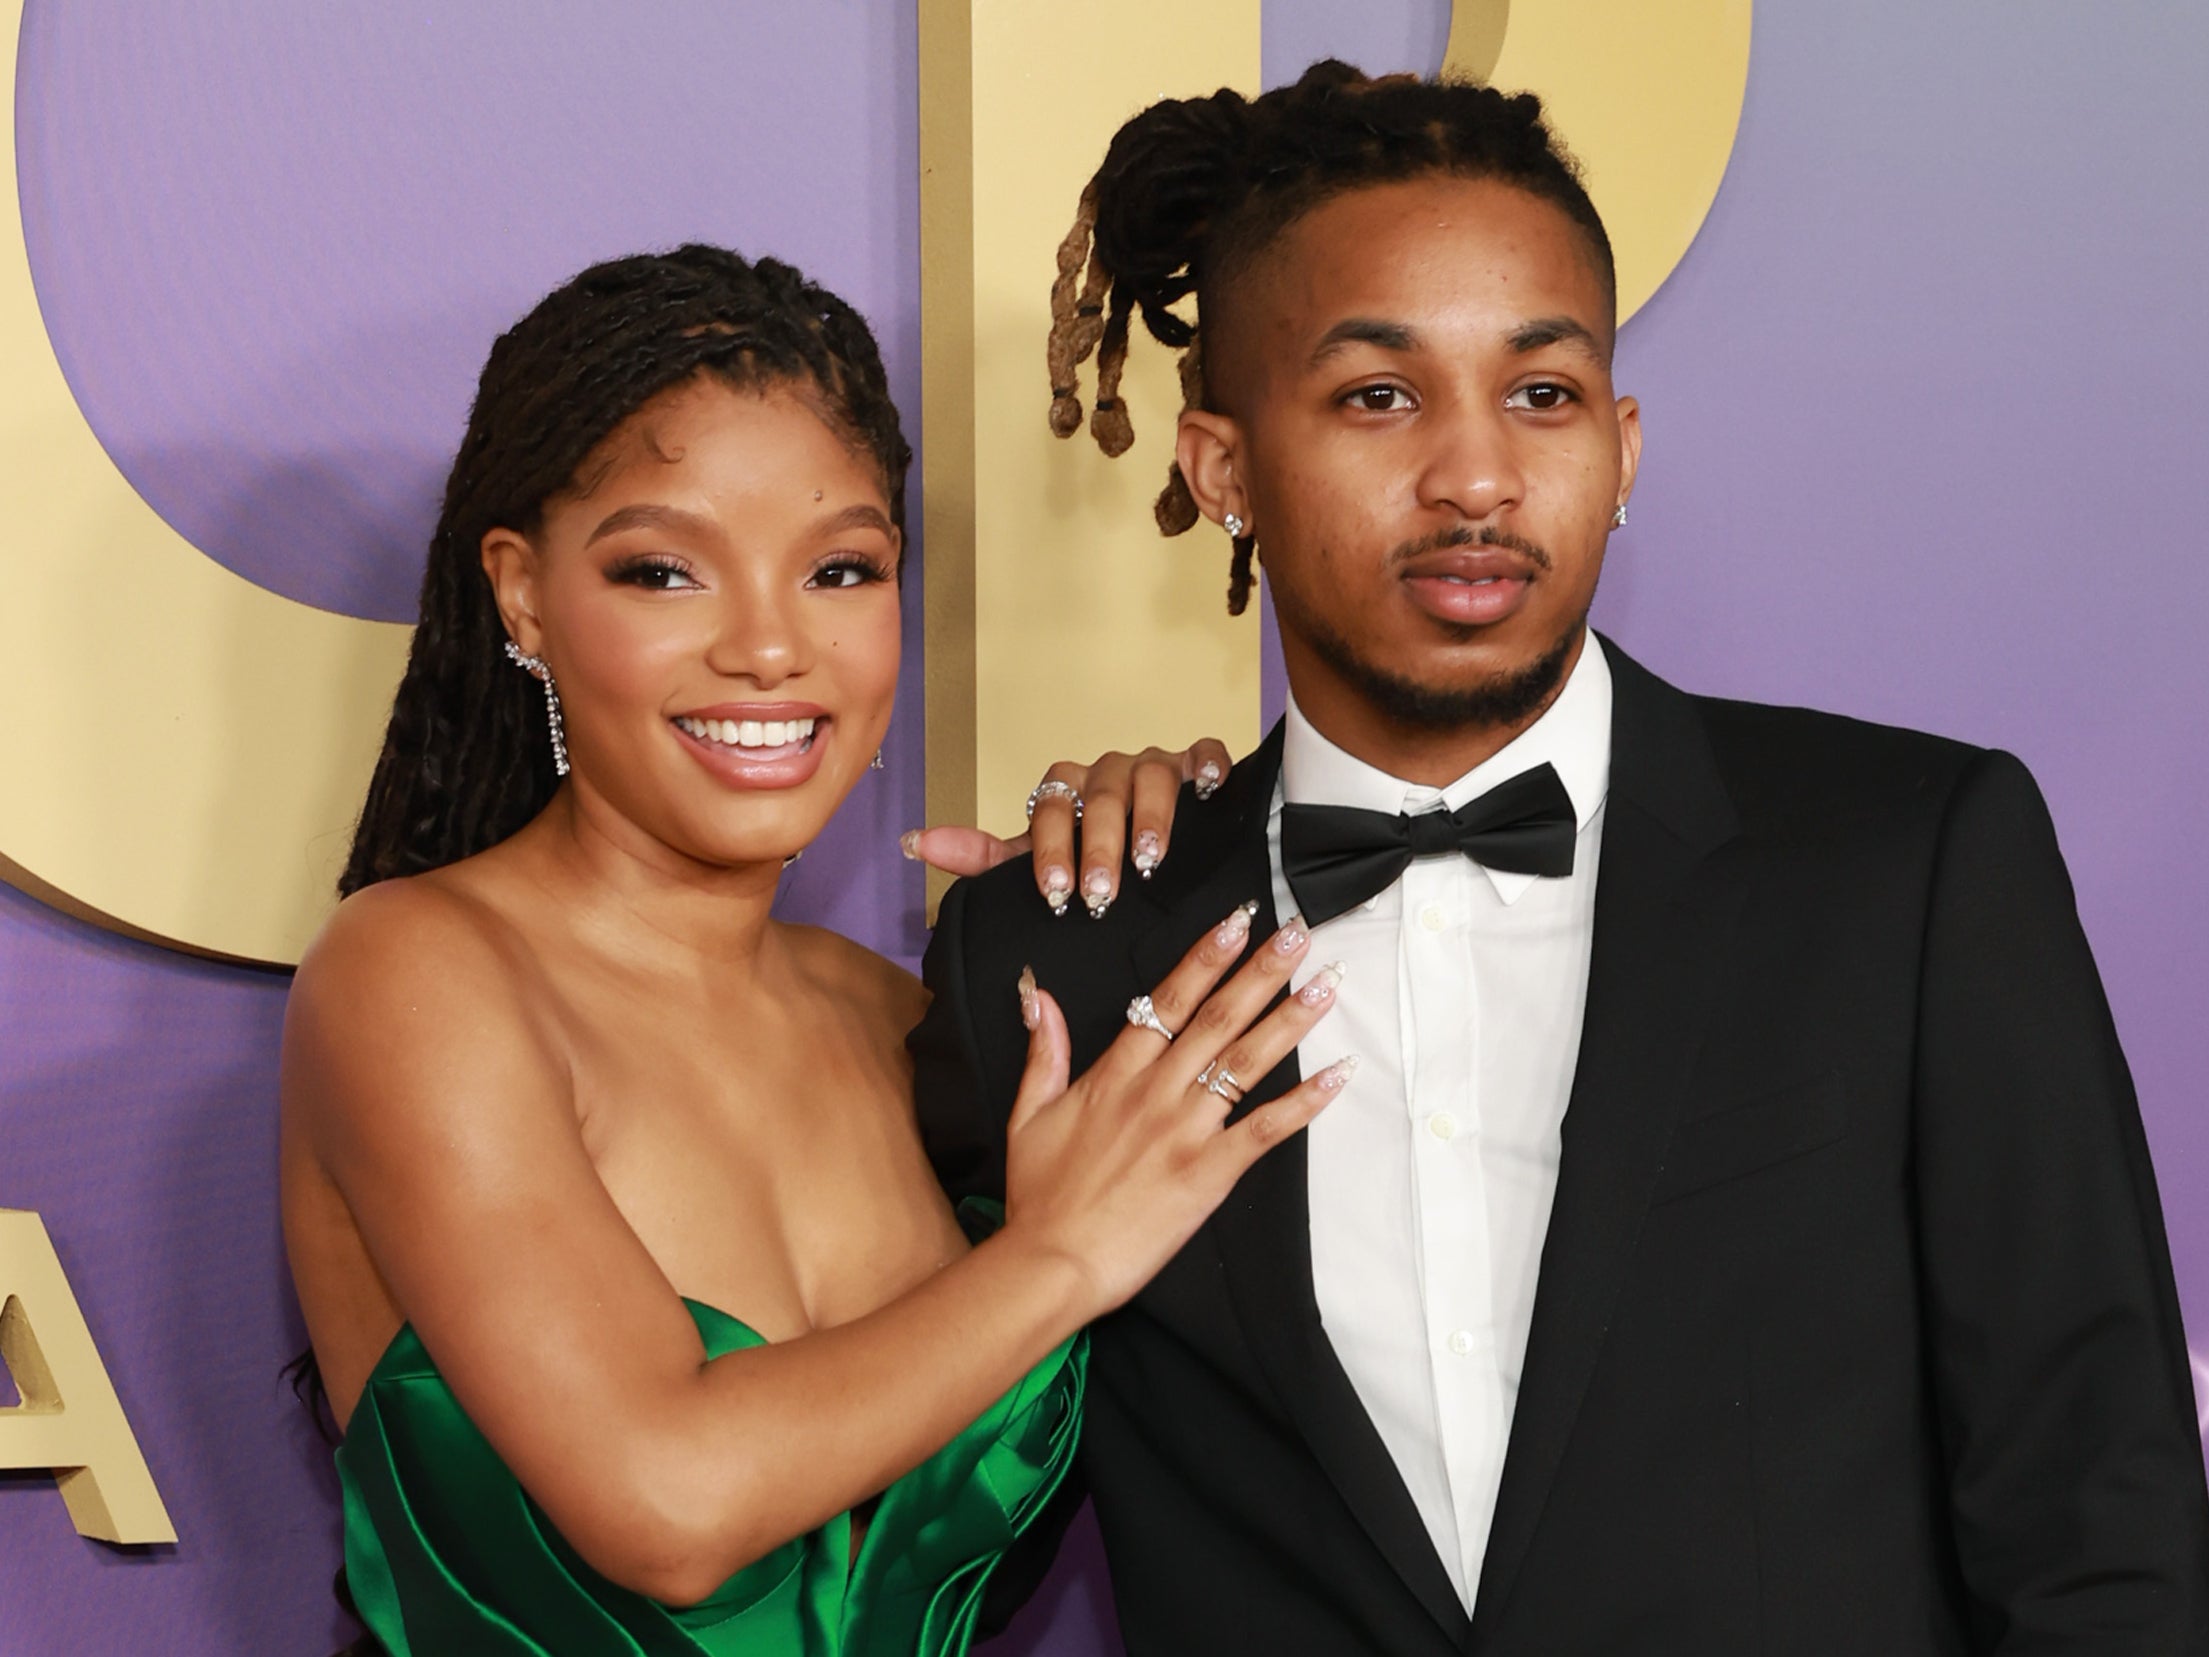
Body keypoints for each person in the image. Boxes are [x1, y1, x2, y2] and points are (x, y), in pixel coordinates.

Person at [909, 63, 2209, 1654]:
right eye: (1376, 397)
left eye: (1542, 392)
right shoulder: (1055, 958)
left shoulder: (1908, 864)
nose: (1475, 475)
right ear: (1221, 469)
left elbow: (2102, 1527)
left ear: (1623, 440)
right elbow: (912, 1515)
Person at [277, 245, 1355, 1656]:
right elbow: (667, 1504)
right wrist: (1054, 1259)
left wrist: (1157, 881)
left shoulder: (898, 1013)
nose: (770, 647)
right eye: (665, 570)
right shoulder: (412, 971)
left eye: (840, 567)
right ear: (523, 595)